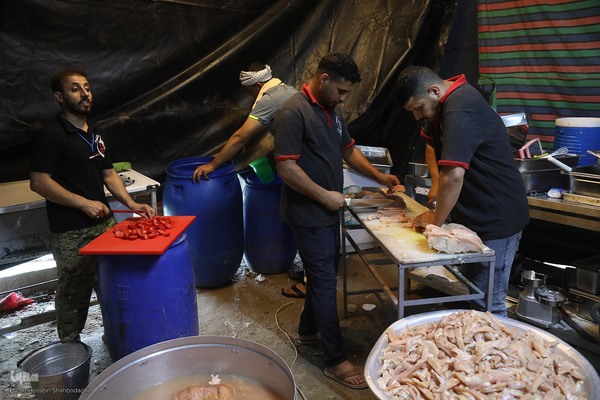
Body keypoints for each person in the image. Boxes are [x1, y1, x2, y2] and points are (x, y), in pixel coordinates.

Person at [274, 53, 400, 390]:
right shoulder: (292, 112)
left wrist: (379, 177)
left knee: (323, 274)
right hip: (308, 213)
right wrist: (323, 195)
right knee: (326, 281)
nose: (344, 98)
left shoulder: (332, 109)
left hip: (328, 211)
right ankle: (334, 359)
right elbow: (286, 168)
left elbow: (348, 150)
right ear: (324, 78)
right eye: (341, 91)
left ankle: (307, 331)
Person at [30, 66, 156, 342]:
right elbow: (39, 182)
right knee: (74, 291)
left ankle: (116, 336)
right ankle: (70, 346)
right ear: (59, 97)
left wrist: (131, 204)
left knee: (111, 283)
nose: (85, 93)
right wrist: (83, 203)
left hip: (104, 224)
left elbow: (108, 175)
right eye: (75, 89)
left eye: (87, 87)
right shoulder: (52, 134)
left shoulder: (94, 133)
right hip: (71, 230)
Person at [396, 65, 529, 316]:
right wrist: (436, 184)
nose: (416, 116)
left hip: (496, 217)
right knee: (472, 292)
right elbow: (430, 145)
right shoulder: (440, 106)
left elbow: (454, 176)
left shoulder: (460, 107)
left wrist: (435, 221)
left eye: (418, 108)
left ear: (434, 90)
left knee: (488, 303)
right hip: (473, 216)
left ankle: (493, 341)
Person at [191, 63, 297, 181]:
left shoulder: (269, 100)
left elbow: (240, 137)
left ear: (258, 85)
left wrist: (212, 165)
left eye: (250, 90)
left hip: (305, 154)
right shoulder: (286, 89)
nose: (249, 94)